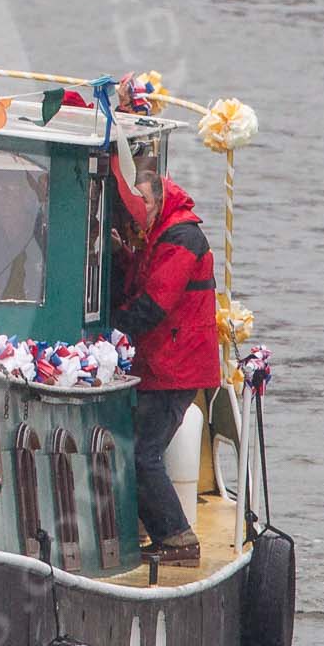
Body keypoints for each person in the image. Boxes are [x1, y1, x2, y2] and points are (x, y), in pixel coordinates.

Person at [108, 167, 220, 565]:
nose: (142, 211)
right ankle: (169, 536)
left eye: (146, 203)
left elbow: (156, 302)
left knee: (142, 454)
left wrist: (112, 329)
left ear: (161, 198)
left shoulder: (182, 237)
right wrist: (126, 256)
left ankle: (177, 538)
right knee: (142, 451)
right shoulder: (164, 234)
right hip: (166, 362)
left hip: (177, 365)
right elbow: (146, 276)